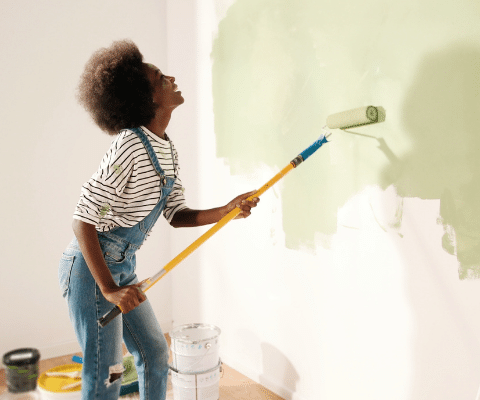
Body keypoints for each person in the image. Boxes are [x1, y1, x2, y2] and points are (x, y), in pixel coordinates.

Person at [58, 39, 259, 400]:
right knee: (107, 373)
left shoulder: (167, 149)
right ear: (146, 97)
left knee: (154, 352)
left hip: (123, 267)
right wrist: (109, 289)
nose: (171, 77)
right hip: (91, 272)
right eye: (160, 78)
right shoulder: (130, 146)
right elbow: (83, 221)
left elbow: (177, 215)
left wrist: (227, 209)